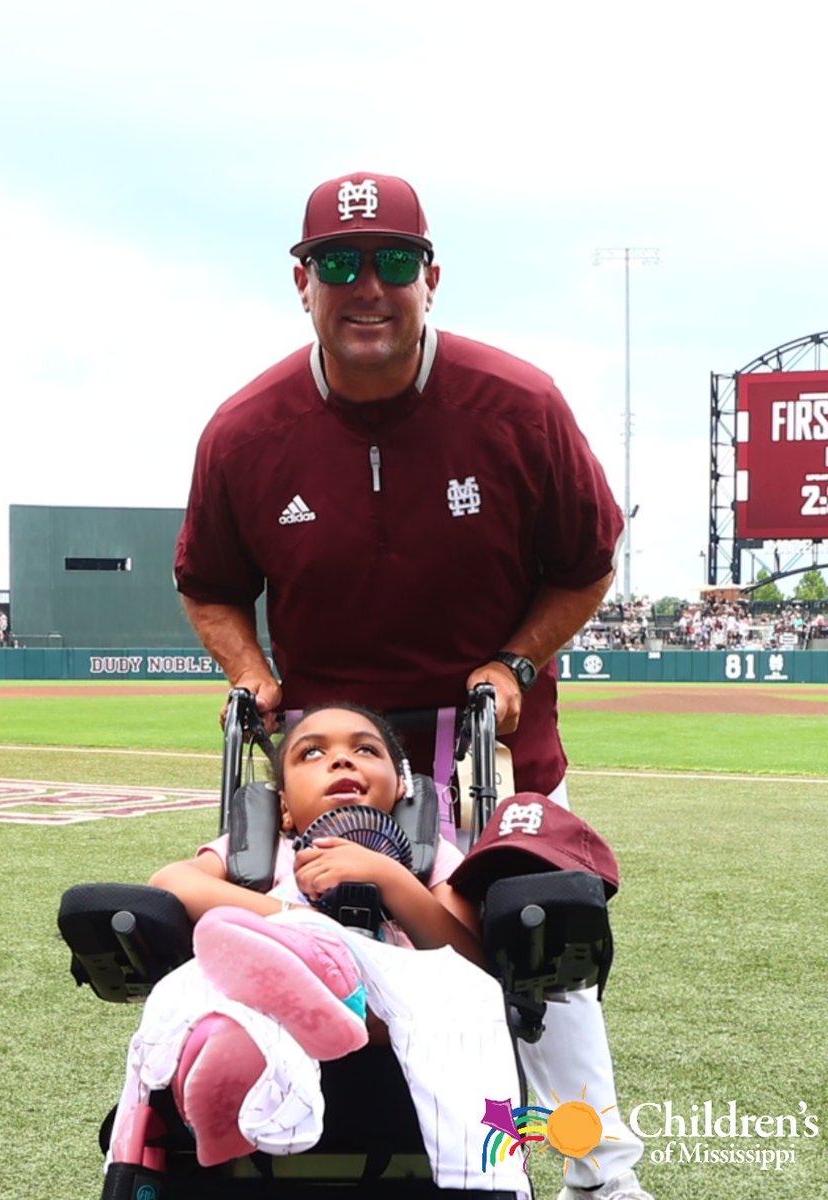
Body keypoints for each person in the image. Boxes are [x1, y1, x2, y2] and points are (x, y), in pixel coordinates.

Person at [173, 172, 651, 1200]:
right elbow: (209, 585)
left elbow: (588, 559)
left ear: (431, 277)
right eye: (339, 265)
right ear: (302, 283)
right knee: (306, 952)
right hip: (333, 763)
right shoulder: (246, 429)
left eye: (393, 262)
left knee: (538, 951)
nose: (368, 288)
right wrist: (251, 672)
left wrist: (517, 661)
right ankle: (289, 1143)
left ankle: (601, 1177)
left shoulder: (518, 404)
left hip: (490, 753)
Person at [112, 704, 532, 1196]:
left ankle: (308, 984)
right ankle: (227, 1071)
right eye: (313, 752)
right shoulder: (263, 853)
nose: (341, 761)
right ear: (284, 806)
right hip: (270, 1002)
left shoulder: (422, 858)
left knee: (461, 992)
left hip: (385, 1012)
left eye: (365, 750)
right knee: (193, 985)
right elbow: (171, 880)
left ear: (400, 788)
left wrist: (390, 879)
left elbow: (467, 963)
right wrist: (293, 919)